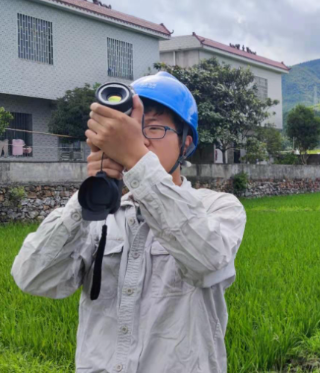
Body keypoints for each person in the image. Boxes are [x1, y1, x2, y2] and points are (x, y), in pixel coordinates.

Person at [11, 71, 247, 373]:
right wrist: (91, 193)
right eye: (133, 129)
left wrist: (136, 158)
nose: (142, 139)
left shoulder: (218, 208)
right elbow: (32, 277)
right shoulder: (98, 216)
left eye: (155, 128)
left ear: (186, 143)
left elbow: (208, 262)